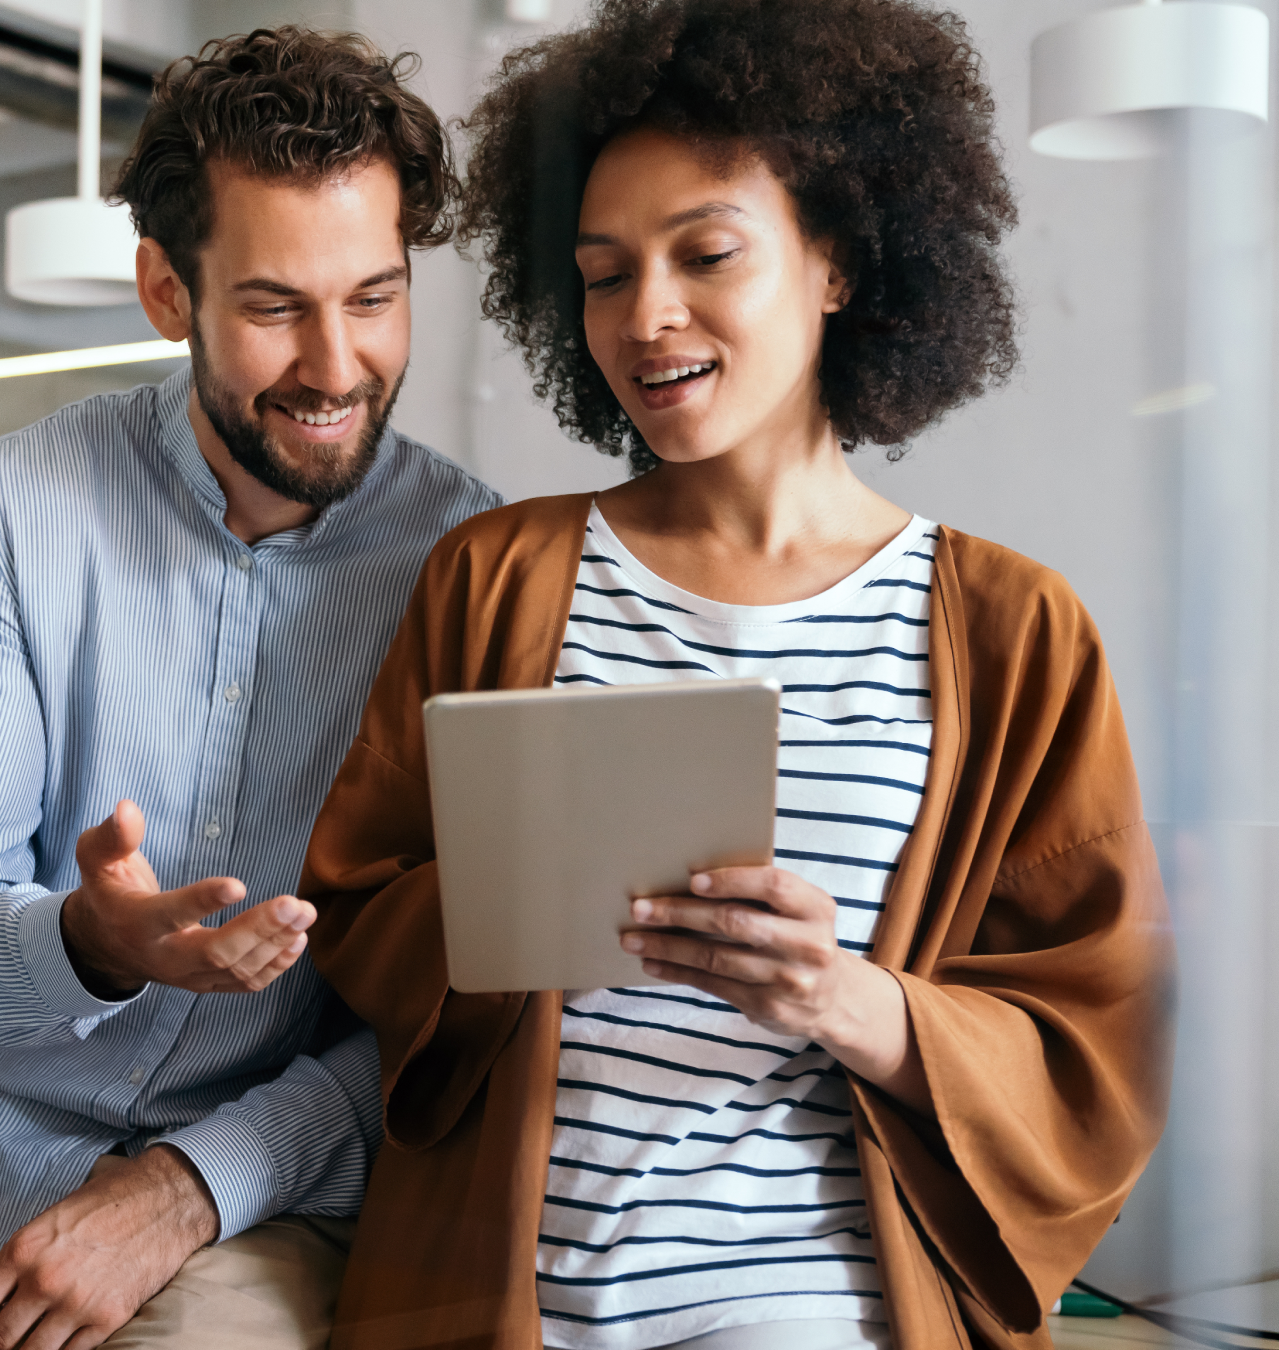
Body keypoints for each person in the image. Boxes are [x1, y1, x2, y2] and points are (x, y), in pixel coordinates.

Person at [298, 1, 1174, 1348]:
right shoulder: (494, 575)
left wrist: (841, 994)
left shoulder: (1015, 630)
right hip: (497, 1294)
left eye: (706, 252)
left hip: (811, 1304)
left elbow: (1093, 1038)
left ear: (837, 260)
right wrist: (514, 905)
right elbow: (355, 910)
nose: (646, 316)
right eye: (601, 272)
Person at [0, 26, 504, 1350]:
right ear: (167, 290)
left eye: (374, 297)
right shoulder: (12, 509)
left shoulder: (472, 562)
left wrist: (186, 1187)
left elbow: (457, 1008)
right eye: (275, 307)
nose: (337, 364)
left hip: (253, 1203)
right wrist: (92, 945)